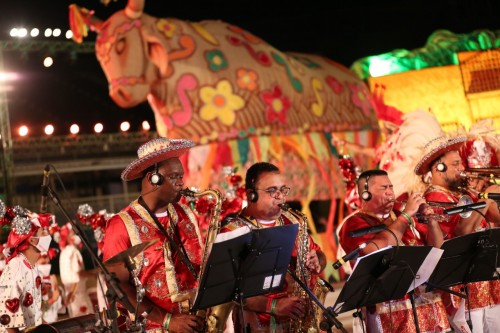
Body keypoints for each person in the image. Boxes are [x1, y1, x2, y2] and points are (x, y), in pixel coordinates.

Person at [102, 137, 204, 333]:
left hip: (197, 323)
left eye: (181, 176)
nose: (181, 183)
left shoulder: (187, 215)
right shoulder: (121, 224)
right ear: (152, 179)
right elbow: (118, 285)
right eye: (174, 176)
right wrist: (168, 321)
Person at [338, 169, 451, 333]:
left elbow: (437, 250)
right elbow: (373, 252)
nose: (391, 192)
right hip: (389, 313)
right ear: (365, 194)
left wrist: (432, 221)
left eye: (391, 186)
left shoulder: (400, 215)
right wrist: (405, 216)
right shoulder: (354, 223)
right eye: (384, 188)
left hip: (427, 305)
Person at [220, 162, 327, 332]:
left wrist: (318, 260)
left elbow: (320, 254)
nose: (280, 196)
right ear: (251, 195)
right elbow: (227, 290)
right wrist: (274, 305)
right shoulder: (233, 231)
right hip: (258, 325)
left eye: (283, 190)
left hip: (300, 321)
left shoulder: (293, 221)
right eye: (272, 191)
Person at [415, 133, 500, 332]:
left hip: (487, 280)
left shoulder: (466, 192)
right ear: (439, 168)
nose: (462, 168)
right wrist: (485, 199)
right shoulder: (434, 197)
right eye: (455, 164)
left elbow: (496, 219)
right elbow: (462, 232)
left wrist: (492, 194)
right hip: (463, 289)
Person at [0, 208, 52, 332]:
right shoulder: (16, 269)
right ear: (32, 240)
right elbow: (8, 323)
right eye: (43, 231)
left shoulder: (31, 266)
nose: (48, 234)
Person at [58, 223, 94, 318]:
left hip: (70, 292)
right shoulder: (73, 251)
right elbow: (78, 273)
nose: (76, 235)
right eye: (72, 233)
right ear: (67, 237)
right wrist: (94, 274)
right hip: (77, 293)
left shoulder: (64, 252)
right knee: (86, 320)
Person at [37, 249, 63, 323]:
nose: (47, 266)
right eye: (43, 263)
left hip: (53, 318)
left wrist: (57, 287)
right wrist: (53, 299)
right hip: (43, 322)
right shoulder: (33, 280)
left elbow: (58, 303)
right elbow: (39, 308)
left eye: (48, 263)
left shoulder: (51, 278)